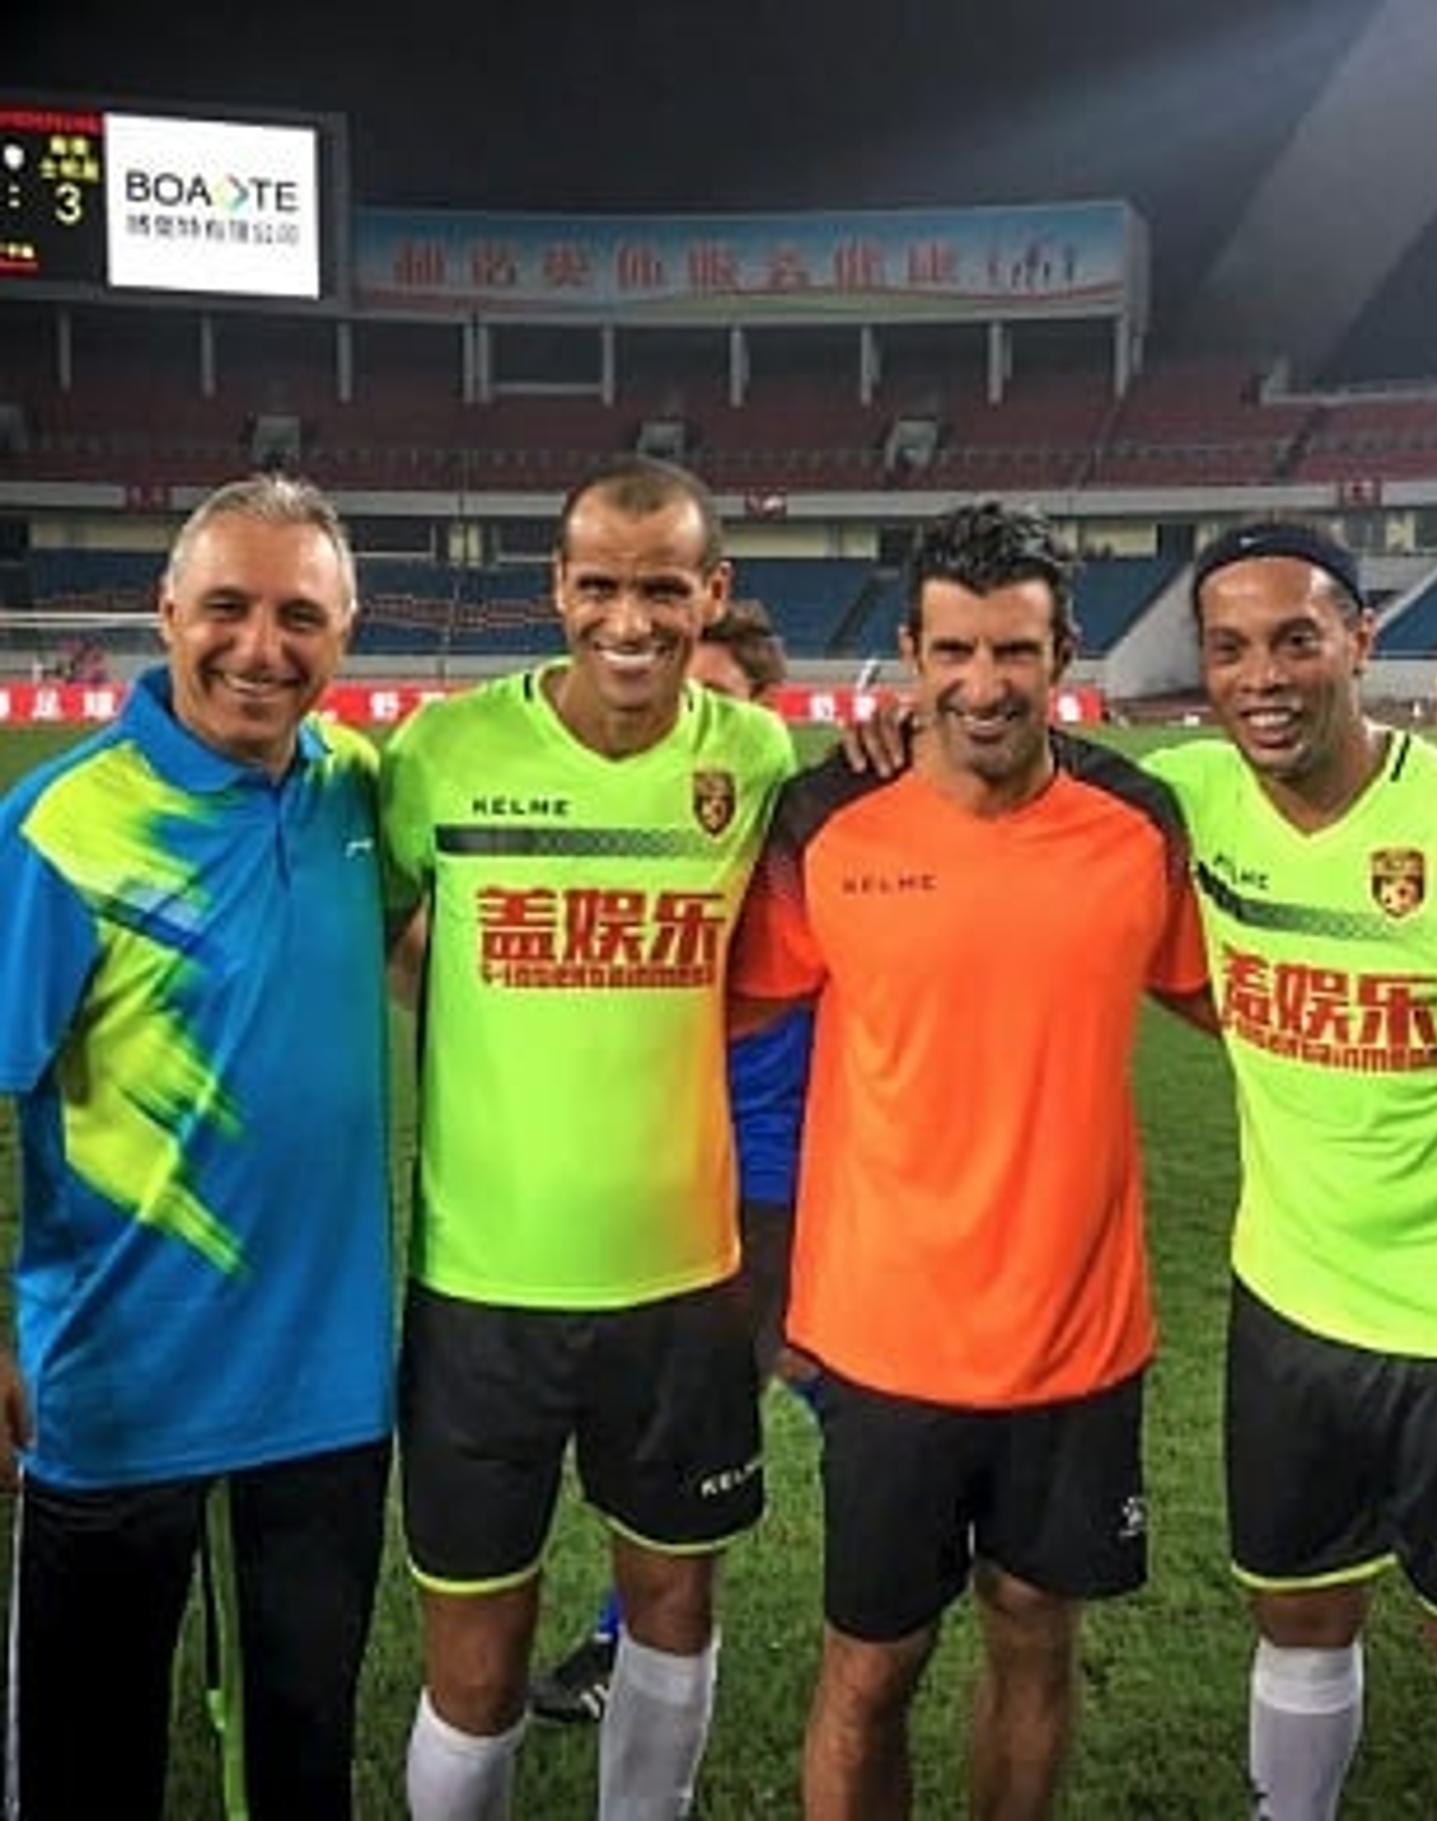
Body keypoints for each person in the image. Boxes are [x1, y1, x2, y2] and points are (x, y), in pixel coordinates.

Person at [732, 500, 1210, 1819]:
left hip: (1078, 1341)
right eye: (955, 652)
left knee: (1032, 1632)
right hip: (885, 1345)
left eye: (1015, 653)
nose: (984, 686)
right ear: (911, 650)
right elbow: (705, 1008)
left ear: (1064, 655)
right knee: (869, 1669)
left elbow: (1246, 1004)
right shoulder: (826, 820)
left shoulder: (1139, 825)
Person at [382, 457, 796, 1819]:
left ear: (711, 594)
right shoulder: (443, 753)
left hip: (682, 1287)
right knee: (478, 1659)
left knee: (672, 1605)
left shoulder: (750, 758)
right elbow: (387, 926)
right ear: (558, 587)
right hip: (483, 1291)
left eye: (664, 588)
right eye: (601, 586)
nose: (631, 619)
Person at [1141, 517, 1437, 1820]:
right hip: (1287, 1302)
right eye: (1230, 648)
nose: (1262, 675)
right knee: (1296, 1609)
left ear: (1360, 643)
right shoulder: (1192, 797)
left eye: (1296, 640)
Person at [0, 473, 393, 1818]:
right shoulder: (62, 825)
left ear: (347, 633)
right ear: (165, 611)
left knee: (304, 1762)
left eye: (301, 615)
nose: (260, 648)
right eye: (226, 606)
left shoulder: (359, 789)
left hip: (330, 1391)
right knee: (86, 1769)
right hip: (119, 1384)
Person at [529, 597, 818, 1728]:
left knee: (752, 1422)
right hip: (662, 1191)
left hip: (784, 1198)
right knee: (679, 1443)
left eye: (721, 703)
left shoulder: (806, 844)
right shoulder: (628, 848)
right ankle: (630, 1639)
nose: (691, 724)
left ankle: (630, 1644)